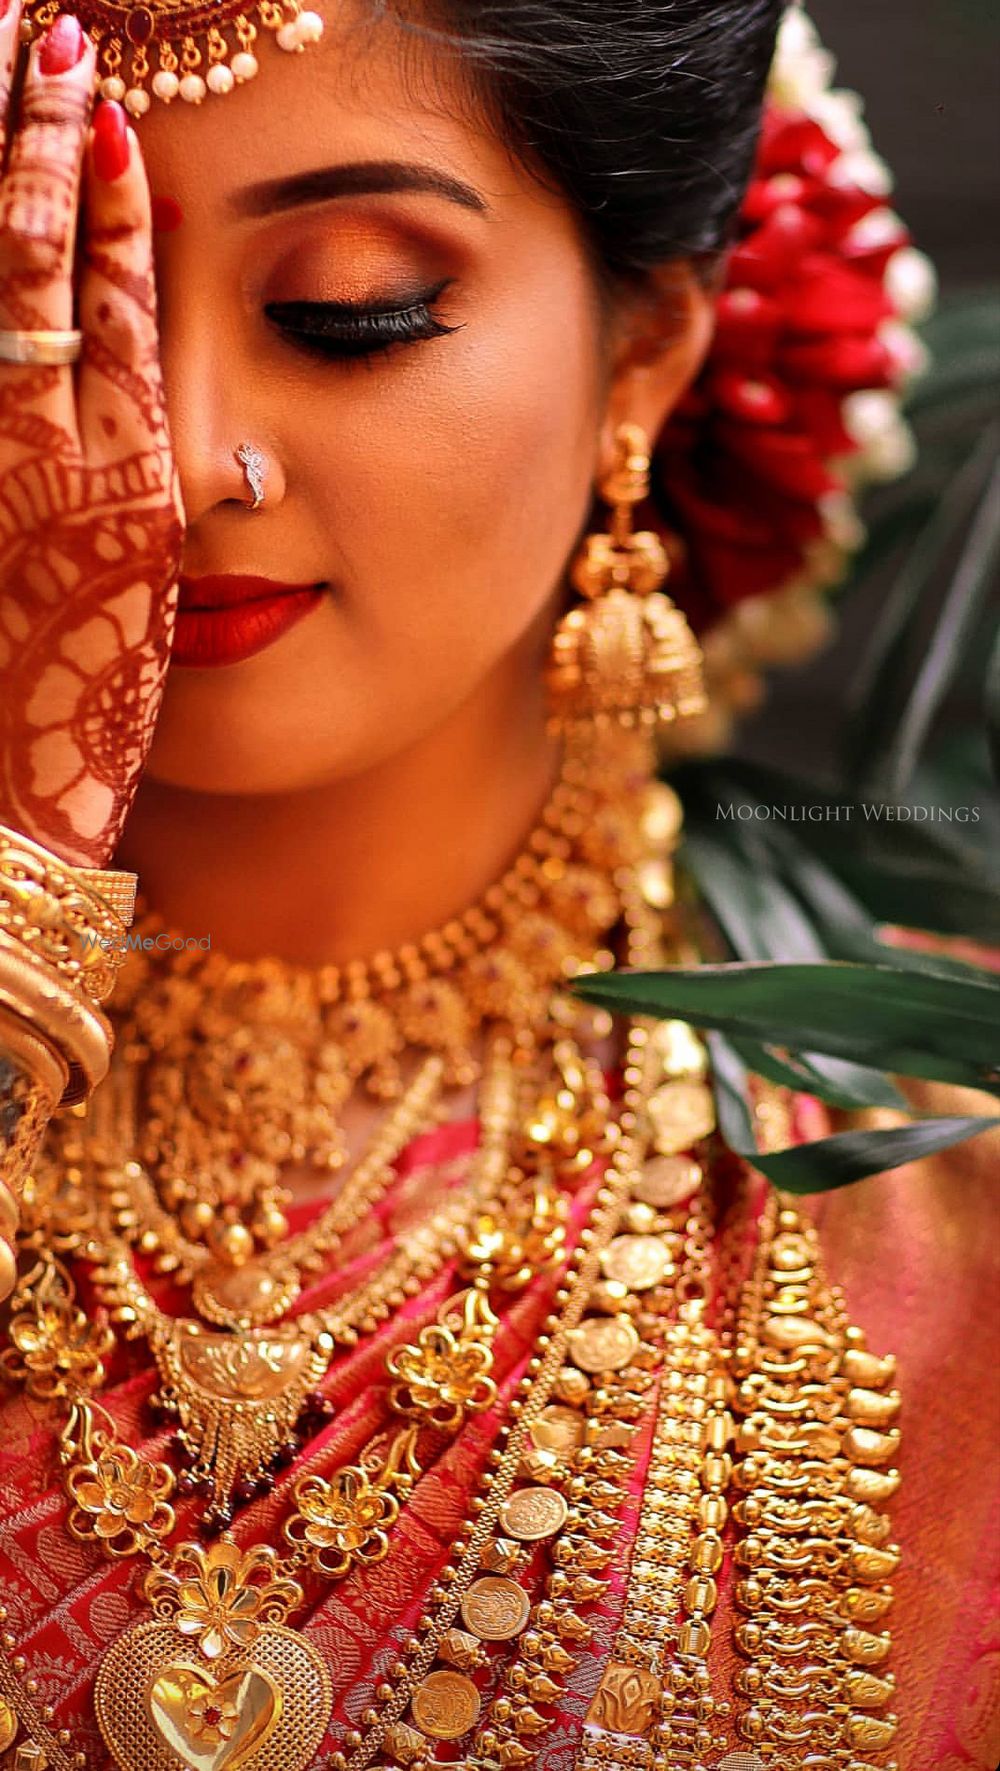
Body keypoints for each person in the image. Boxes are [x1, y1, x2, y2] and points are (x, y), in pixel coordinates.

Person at [0, 4, 996, 1768]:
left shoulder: (933, 1184)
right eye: (66, 309)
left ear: (648, 355)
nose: (180, 453)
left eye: (352, 311)